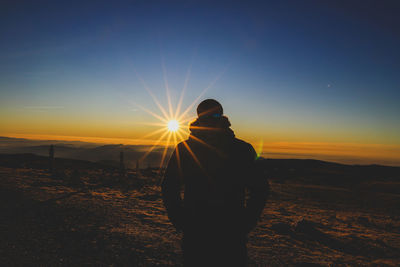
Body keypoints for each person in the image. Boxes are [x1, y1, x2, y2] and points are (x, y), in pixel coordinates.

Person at [162, 99, 269, 266]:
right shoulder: (184, 149)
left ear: (222, 115)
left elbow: (260, 189)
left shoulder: (242, 149)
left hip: (230, 233)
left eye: (216, 114)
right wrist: (181, 220)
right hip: (197, 232)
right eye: (206, 115)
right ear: (199, 118)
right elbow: (169, 187)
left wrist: (246, 222)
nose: (211, 119)